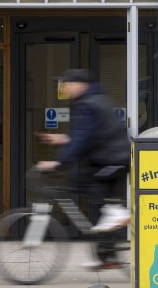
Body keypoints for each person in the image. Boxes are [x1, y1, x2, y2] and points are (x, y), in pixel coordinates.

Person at [37, 68, 131, 239]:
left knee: (81, 182)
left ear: (81, 86)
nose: (65, 88)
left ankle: (117, 212)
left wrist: (59, 163)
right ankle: (107, 258)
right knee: (100, 212)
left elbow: (83, 138)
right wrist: (63, 138)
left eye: (69, 84)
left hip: (111, 160)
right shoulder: (95, 100)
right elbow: (88, 133)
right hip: (112, 159)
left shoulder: (88, 104)